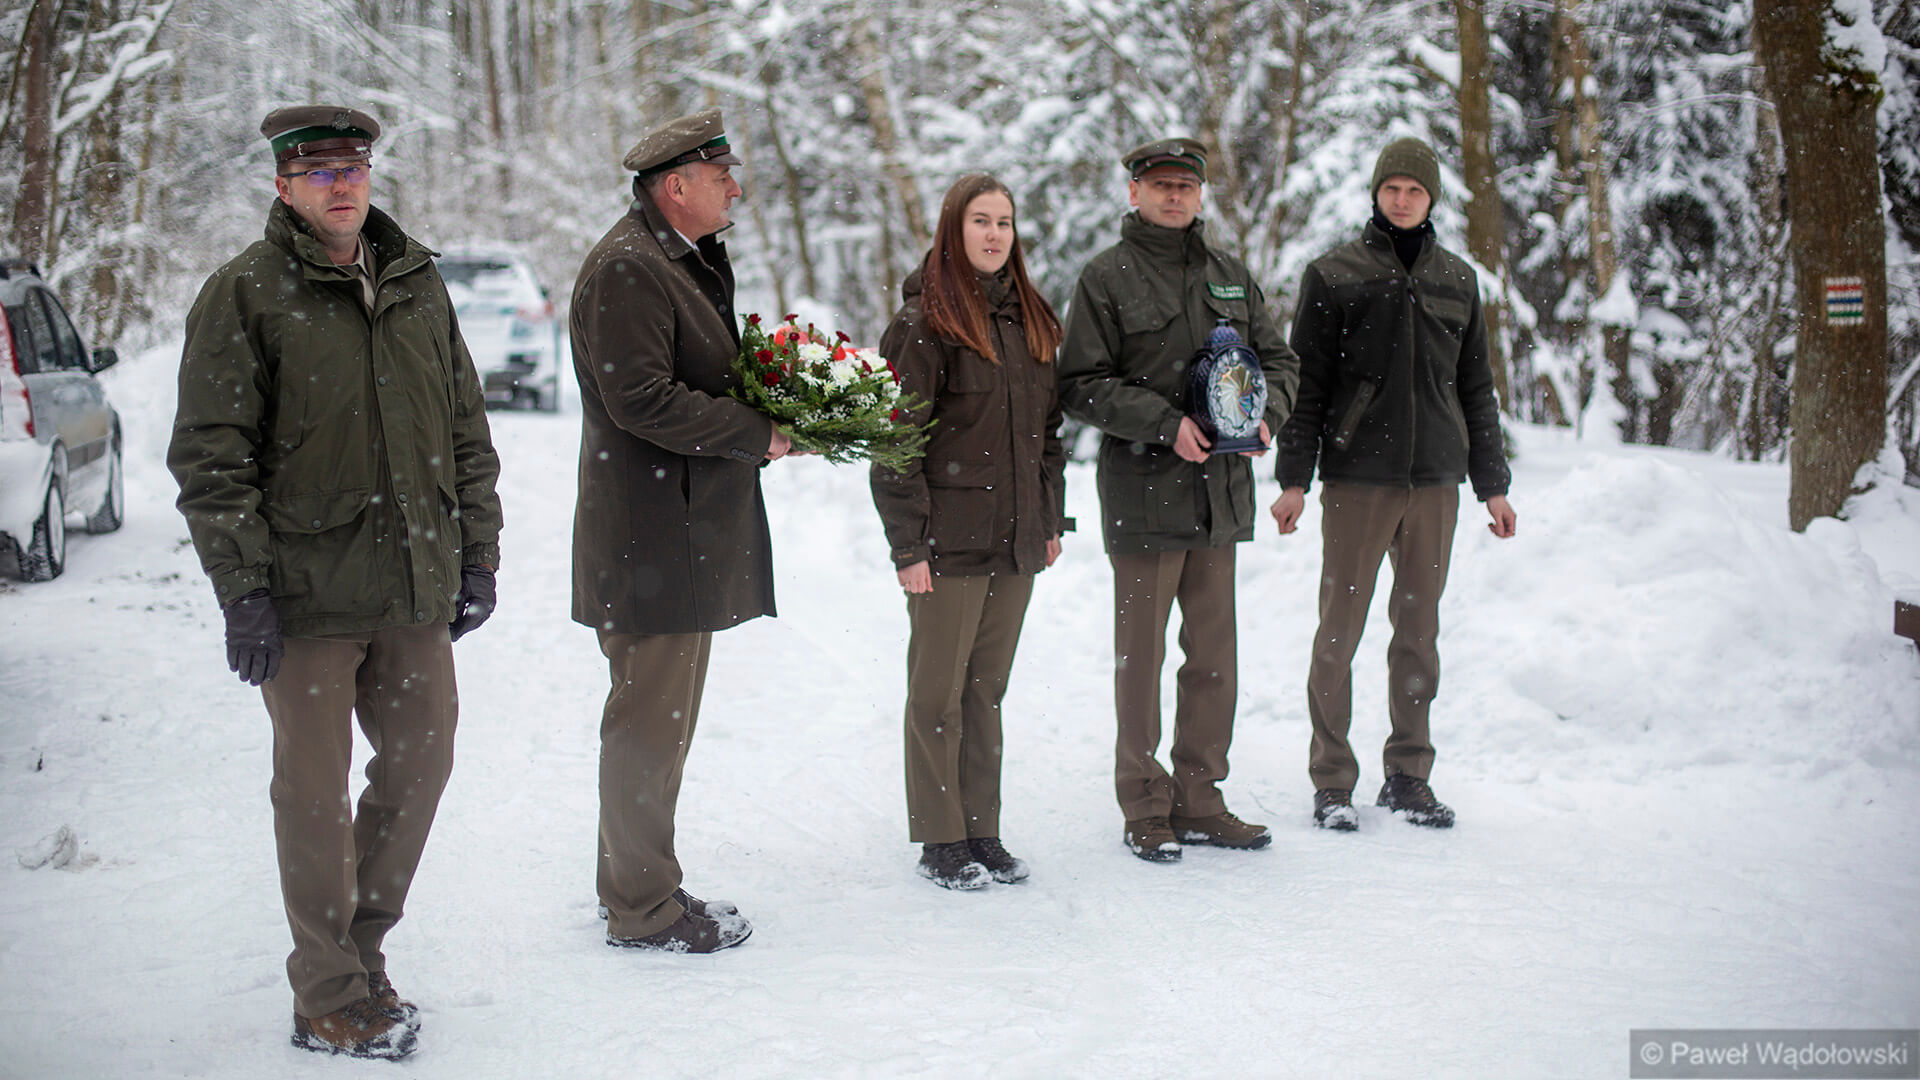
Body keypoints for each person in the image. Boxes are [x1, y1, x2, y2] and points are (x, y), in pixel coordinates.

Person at [169, 105, 502, 1060]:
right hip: (306, 595)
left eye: (353, 168)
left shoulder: (415, 281)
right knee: (312, 796)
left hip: (413, 584)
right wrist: (243, 589)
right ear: (284, 186)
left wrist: (478, 552)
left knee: (421, 766)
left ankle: (362, 952)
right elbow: (212, 455)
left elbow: (465, 427)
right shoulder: (245, 293)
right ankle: (327, 995)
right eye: (318, 173)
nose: (341, 185)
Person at [571, 108, 785, 952]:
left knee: (658, 727)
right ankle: (642, 907)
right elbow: (641, 399)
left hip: (674, 532)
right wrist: (756, 431)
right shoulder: (630, 267)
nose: (736, 188)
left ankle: (636, 882)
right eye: (722, 175)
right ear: (676, 187)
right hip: (650, 538)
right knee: (647, 728)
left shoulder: (674, 259)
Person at [1057, 137, 1299, 863]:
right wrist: (1166, 425)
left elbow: (1279, 360)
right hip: (1143, 497)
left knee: (1214, 661)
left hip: (1219, 498)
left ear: (1199, 195)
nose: (1173, 196)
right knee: (1142, 660)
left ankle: (1200, 799)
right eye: (1159, 185)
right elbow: (1080, 384)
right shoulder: (1106, 277)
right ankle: (1145, 804)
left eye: (1184, 186)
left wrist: (1265, 416)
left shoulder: (1231, 275)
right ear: (1134, 193)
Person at [1269, 136, 1517, 832]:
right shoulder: (1335, 274)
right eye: (1392, 189)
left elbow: (1477, 388)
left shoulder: (1458, 281)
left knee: (1418, 634)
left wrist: (1492, 484)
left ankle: (1409, 776)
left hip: (1435, 483)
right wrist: (1294, 479)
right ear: (1376, 194)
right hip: (1358, 481)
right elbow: (1307, 386)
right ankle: (1332, 781)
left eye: (1414, 190)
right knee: (1339, 632)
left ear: (1431, 198)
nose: (1402, 200)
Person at [871, 174, 1068, 890]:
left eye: (1004, 222)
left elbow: (1049, 434)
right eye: (980, 221)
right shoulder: (923, 324)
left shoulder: (1031, 320)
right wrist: (908, 544)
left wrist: (1050, 517)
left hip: (1016, 540)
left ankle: (982, 828)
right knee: (938, 695)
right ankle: (941, 837)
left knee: (985, 690)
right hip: (946, 544)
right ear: (953, 230)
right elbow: (895, 441)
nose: (994, 234)